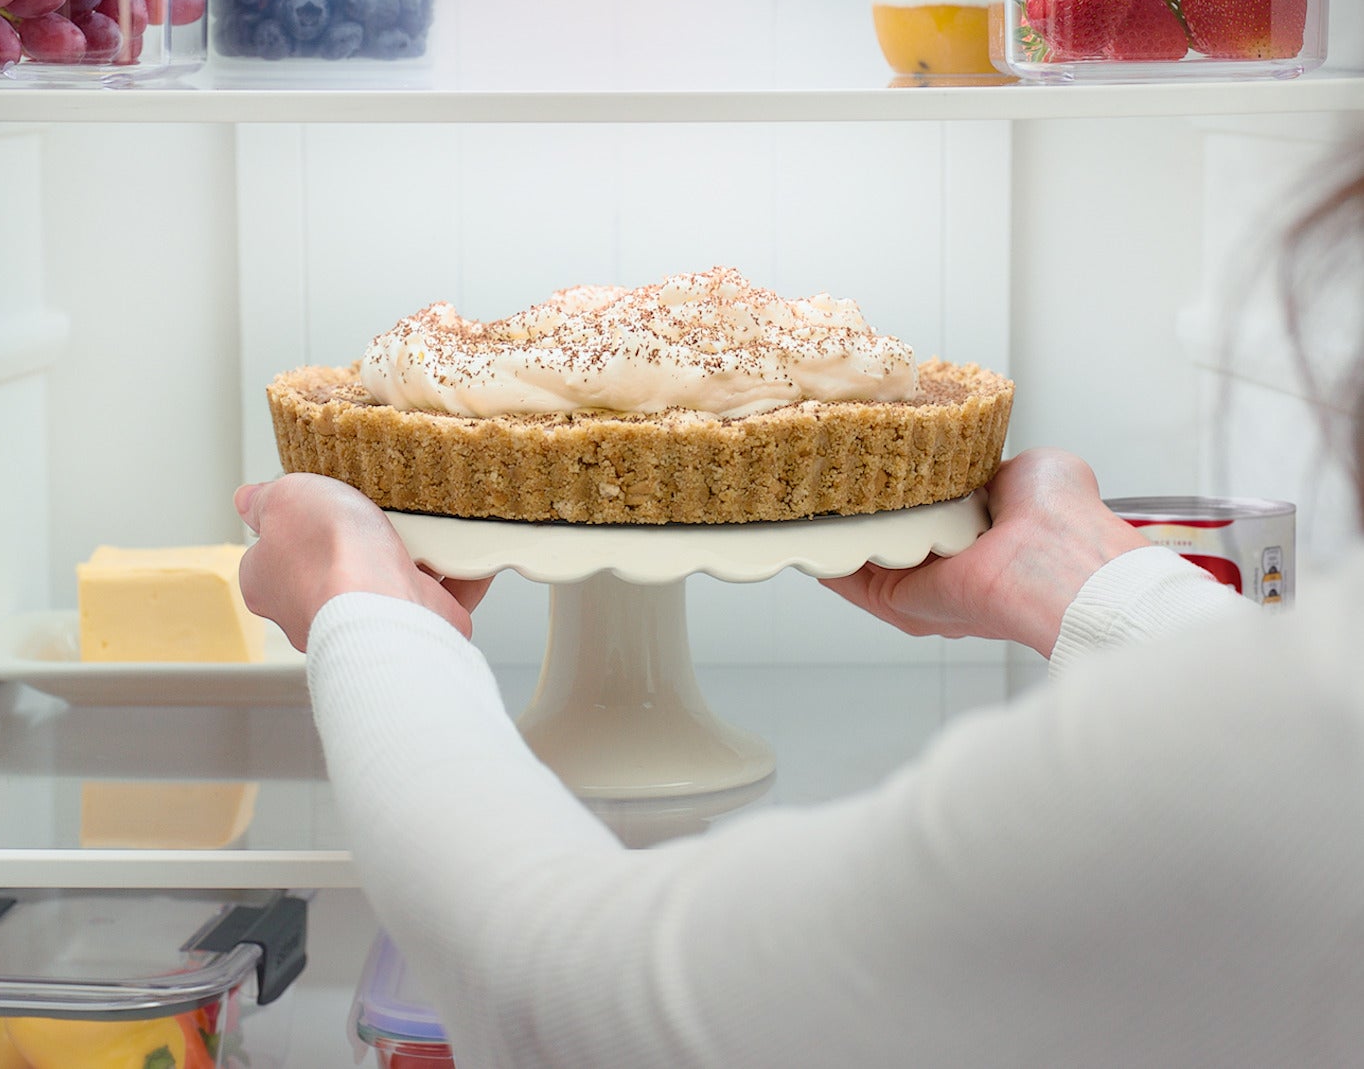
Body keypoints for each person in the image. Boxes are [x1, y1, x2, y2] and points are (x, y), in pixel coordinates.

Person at [234, 158, 1364, 1067]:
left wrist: (365, 605)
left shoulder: (1286, 756)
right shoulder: (1306, 737)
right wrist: (1086, 580)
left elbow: (571, 1004)